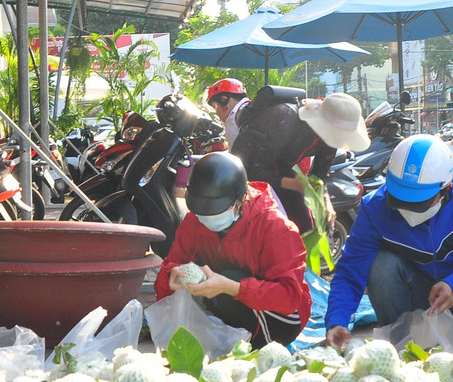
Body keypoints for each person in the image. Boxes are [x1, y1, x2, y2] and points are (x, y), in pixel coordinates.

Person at [325, 134, 453, 365]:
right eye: (400, 199)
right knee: (382, 264)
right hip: (410, 291)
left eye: (419, 201)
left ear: (447, 189)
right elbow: (350, 272)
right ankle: (401, 347)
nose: (409, 209)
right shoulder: (375, 208)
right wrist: (337, 321)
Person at [153, 152, 311, 348]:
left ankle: (251, 347)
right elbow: (172, 264)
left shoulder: (274, 226)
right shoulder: (195, 220)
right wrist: (172, 276)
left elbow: (289, 298)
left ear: (241, 200)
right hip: (230, 301)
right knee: (204, 278)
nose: (207, 219)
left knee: (230, 278)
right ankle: (226, 339)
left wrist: (231, 287)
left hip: (282, 317)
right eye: (202, 212)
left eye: (217, 211)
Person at [232, 90, 368, 235]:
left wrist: (326, 203)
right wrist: (296, 185)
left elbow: (318, 178)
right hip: (246, 171)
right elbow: (256, 171)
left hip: (278, 169)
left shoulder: (330, 140)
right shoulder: (286, 119)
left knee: (305, 225)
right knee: (265, 227)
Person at [205, 77, 249, 147]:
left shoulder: (232, 119)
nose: (216, 113)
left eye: (215, 107)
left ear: (223, 100)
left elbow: (234, 155)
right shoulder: (250, 108)